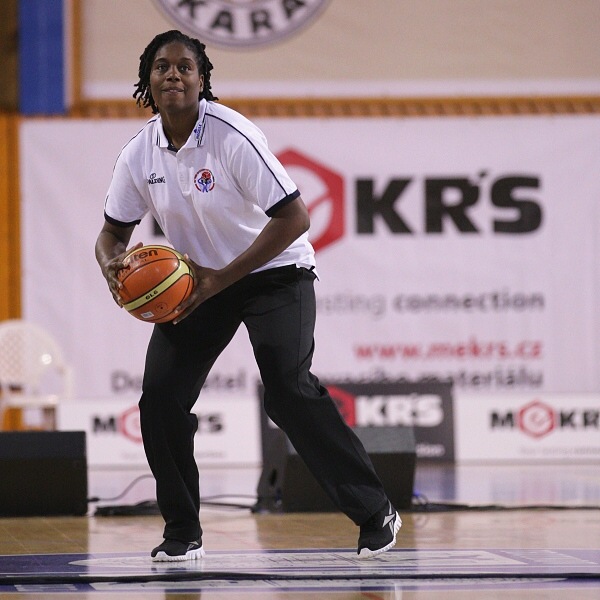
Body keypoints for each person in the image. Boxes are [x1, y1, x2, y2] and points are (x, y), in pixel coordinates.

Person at [95, 29, 401, 562]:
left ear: (202, 79)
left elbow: (295, 218)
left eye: (185, 67)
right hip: (197, 282)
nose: (173, 74)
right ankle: (182, 531)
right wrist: (111, 266)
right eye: (162, 66)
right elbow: (111, 234)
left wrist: (221, 279)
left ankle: (376, 511)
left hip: (275, 271)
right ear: (147, 79)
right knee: (161, 399)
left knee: (287, 389)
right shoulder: (138, 153)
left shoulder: (232, 135)